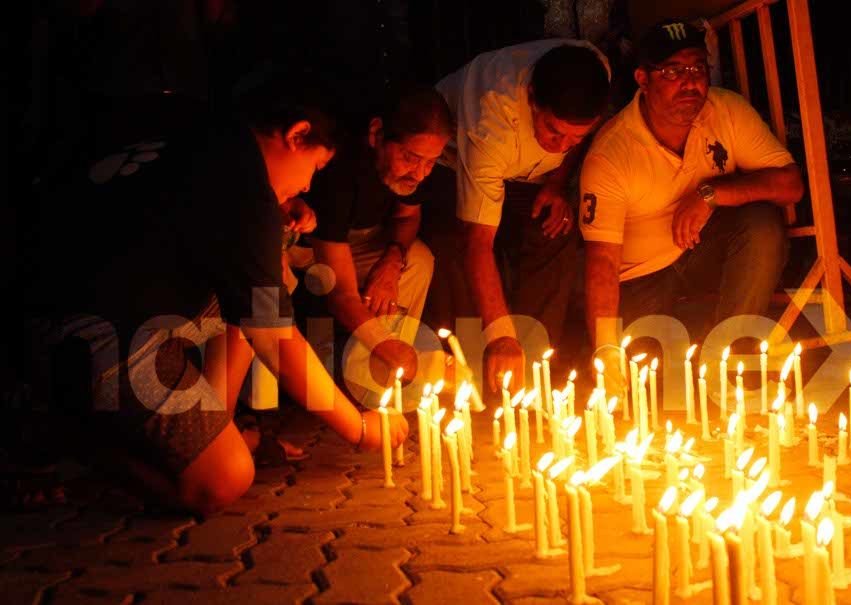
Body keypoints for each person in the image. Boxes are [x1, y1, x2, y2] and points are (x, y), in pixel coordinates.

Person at [22, 70, 408, 515]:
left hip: (43, 315)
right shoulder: (245, 190)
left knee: (267, 283)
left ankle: (207, 423)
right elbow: (277, 341)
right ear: (297, 135)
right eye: (314, 169)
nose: (306, 186)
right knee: (224, 477)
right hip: (98, 342)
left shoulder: (201, 130)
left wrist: (278, 210)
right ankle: (74, 438)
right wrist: (360, 428)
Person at [580, 19, 804, 395]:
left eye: (698, 68)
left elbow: (790, 185)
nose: (690, 82)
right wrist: (605, 347)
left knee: (761, 223)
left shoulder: (726, 110)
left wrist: (710, 194)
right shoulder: (612, 153)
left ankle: (727, 356)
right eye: (672, 71)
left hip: (704, 255)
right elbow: (601, 260)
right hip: (642, 279)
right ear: (642, 79)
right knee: (647, 381)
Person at [421, 40, 611, 395]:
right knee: (452, 246)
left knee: (556, 230)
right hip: (453, 164)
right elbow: (478, 242)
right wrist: (501, 337)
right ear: (532, 98)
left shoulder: (595, 68)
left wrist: (557, 183)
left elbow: (574, 140)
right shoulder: (489, 121)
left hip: (532, 176)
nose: (562, 145)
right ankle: (477, 372)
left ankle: (531, 366)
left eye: (574, 138)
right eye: (554, 131)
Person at [288, 84, 453, 405]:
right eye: (410, 158)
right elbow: (341, 293)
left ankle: (379, 377)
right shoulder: (340, 171)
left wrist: (392, 261)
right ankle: (387, 363)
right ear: (377, 133)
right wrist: (395, 350)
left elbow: (407, 217)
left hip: (359, 239)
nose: (419, 174)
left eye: (431, 163)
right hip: (305, 240)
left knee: (418, 261)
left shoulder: (416, 169)